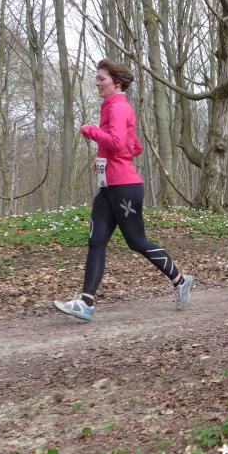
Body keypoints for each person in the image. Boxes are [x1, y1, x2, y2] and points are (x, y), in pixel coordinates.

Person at [53, 59, 194, 322]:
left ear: (116, 83)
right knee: (96, 241)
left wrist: (91, 131)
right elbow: (134, 146)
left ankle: (180, 280)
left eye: (101, 78)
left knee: (136, 241)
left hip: (124, 187)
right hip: (107, 187)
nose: (97, 82)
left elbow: (118, 143)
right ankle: (85, 303)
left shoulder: (119, 107)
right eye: (97, 78)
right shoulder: (111, 106)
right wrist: (105, 159)